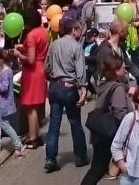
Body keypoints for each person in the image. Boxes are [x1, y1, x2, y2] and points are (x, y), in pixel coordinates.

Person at [43, 19, 90, 173]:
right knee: (75, 121)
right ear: (73, 30)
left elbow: (46, 67)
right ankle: (80, 156)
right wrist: (83, 89)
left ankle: (50, 158)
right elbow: (81, 71)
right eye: (79, 29)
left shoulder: (54, 44)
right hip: (69, 85)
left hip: (55, 86)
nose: (81, 32)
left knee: (54, 124)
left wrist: (53, 78)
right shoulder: (76, 47)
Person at [82, 55, 135, 185]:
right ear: (116, 71)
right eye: (123, 67)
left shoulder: (106, 85)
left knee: (97, 168)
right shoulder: (117, 89)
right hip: (109, 135)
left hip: (100, 134)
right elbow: (120, 113)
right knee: (98, 169)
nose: (125, 69)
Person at [17, 8, 49, 149]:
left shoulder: (30, 35)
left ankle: (33, 137)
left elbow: (30, 59)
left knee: (30, 107)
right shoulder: (43, 32)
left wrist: (18, 54)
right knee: (35, 106)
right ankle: (37, 135)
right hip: (41, 69)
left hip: (32, 72)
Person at [0, 49, 25, 158]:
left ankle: (18, 145)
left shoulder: (6, 71)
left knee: (5, 124)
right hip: (0, 101)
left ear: (2, 60)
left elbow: (4, 87)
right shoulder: (3, 70)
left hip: (4, 103)